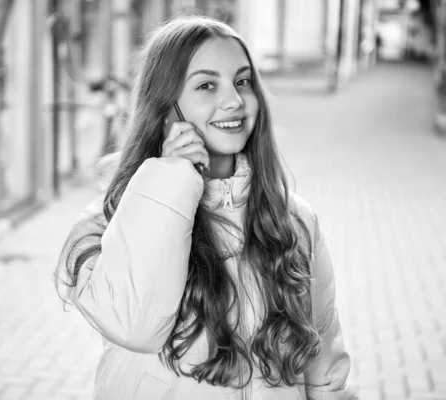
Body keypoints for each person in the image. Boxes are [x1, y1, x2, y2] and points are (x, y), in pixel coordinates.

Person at [56, 15, 358, 400]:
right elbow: (136, 325)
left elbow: (324, 368)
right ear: (166, 109)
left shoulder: (294, 219)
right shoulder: (107, 220)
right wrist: (171, 180)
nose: (233, 100)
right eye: (206, 85)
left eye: (243, 81)